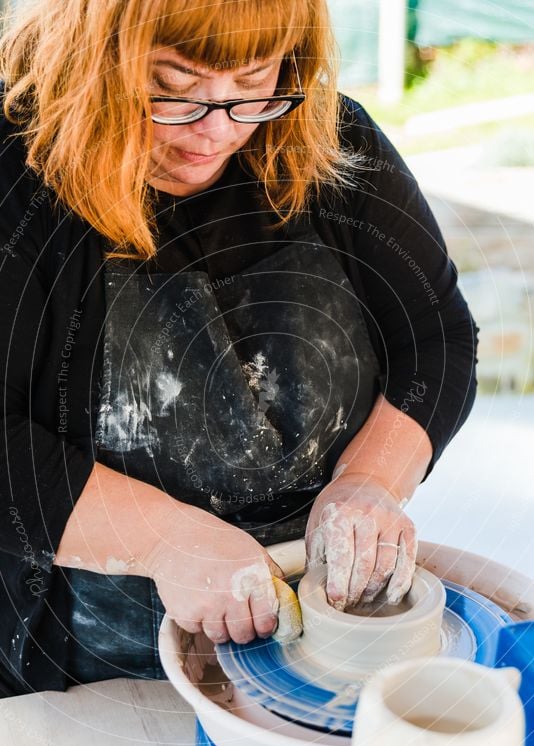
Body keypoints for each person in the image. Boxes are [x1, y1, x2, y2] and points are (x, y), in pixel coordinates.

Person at [0, 0, 478, 698]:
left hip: (323, 636)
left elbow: (435, 337)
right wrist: (164, 539)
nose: (216, 129)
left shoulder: (328, 138)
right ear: (93, 57)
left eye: (252, 82)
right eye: (174, 86)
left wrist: (370, 481)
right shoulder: (18, 176)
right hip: (88, 663)